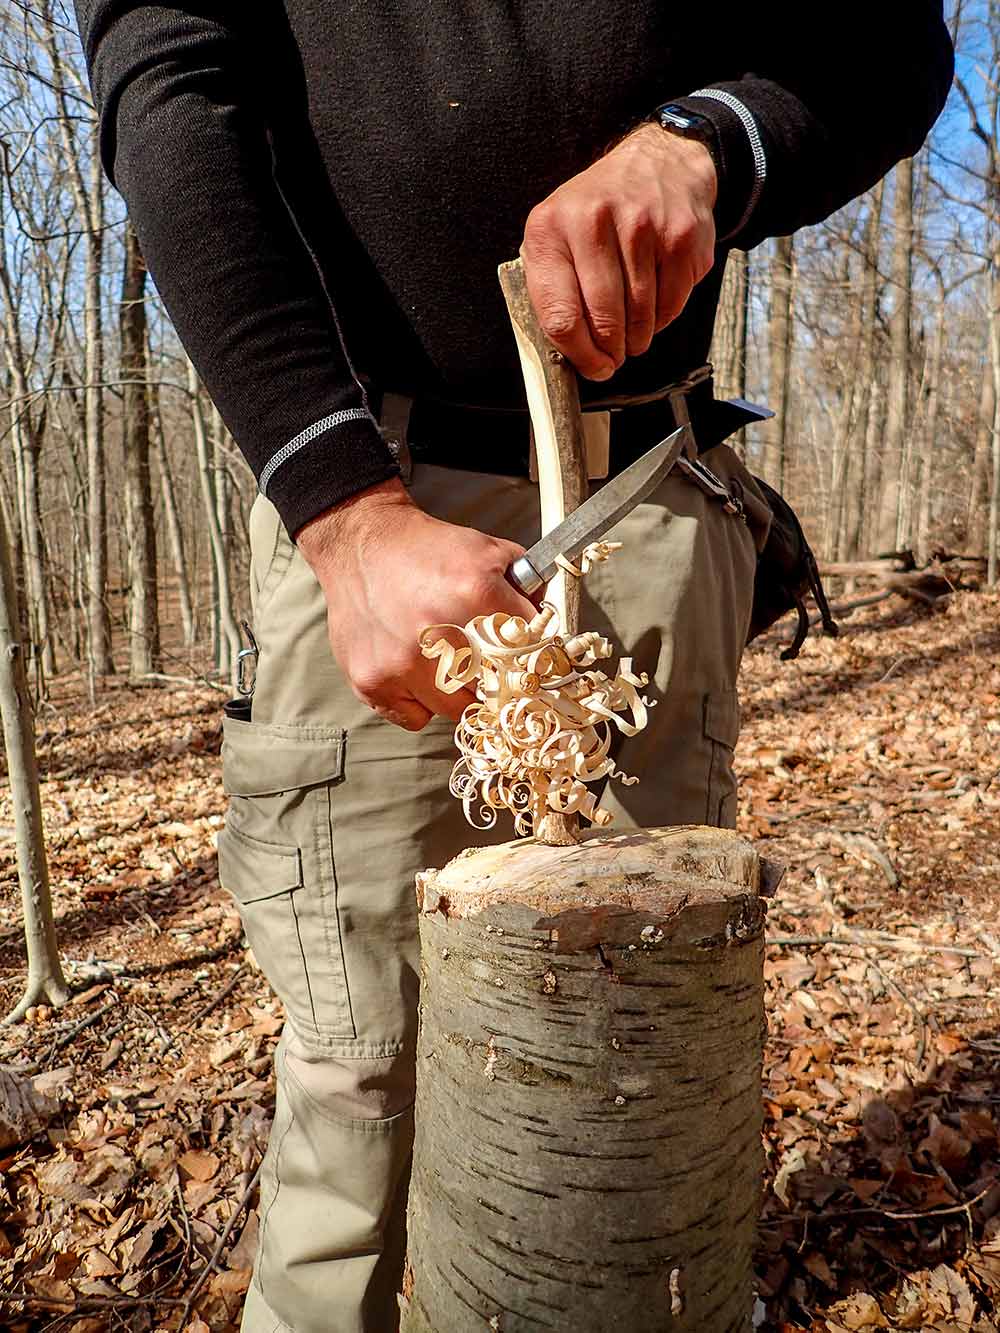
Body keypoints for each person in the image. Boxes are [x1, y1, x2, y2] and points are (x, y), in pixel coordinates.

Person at [74, 5, 953, 1329]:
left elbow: (885, 50)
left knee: (635, 1044)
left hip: (651, 489)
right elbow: (172, 80)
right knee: (358, 1071)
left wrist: (714, 140)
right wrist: (336, 500)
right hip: (370, 500)